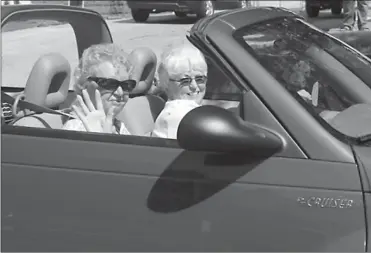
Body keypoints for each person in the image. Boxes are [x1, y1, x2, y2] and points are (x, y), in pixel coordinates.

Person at [63, 43, 133, 134]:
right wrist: (99, 139)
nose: (119, 93)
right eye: (110, 84)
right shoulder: (74, 129)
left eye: (126, 85)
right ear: (85, 85)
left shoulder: (119, 127)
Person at [151, 43, 208, 139]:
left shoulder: (189, 110)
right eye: (185, 81)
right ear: (167, 84)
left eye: (200, 79)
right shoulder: (178, 114)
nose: (194, 86)